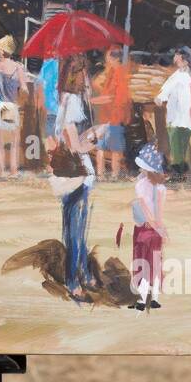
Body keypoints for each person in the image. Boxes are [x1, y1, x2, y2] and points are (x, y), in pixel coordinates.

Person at [50, 54, 104, 301]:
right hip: (76, 174)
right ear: (79, 74)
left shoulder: (66, 99)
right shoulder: (71, 102)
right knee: (76, 231)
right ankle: (74, 281)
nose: (88, 78)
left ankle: (82, 273)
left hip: (73, 174)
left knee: (76, 228)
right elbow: (74, 146)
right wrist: (93, 139)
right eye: (86, 73)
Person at [130, 143, 167, 310]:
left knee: (142, 262)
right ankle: (154, 298)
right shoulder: (160, 188)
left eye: (142, 168)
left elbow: (144, 209)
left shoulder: (140, 186)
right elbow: (159, 212)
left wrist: (153, 224)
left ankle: (141, 300)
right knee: (155, 262)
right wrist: (160, 228)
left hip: (142, 228)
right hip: (155, 229)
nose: (140, 170)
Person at [0, 34, 29, 178]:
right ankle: (14, 170)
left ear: (1, 51)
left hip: (0, 106)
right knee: (14, 140)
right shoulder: (18, 68)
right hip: (12, 106)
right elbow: (24, 88)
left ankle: (1, 170)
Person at [91, 46, 132, 179]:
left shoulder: (119, 73)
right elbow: (107, 93)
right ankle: (102, 175)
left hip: (114, 116)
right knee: (102, 147)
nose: (106, 59)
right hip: (107, 116)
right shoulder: (112, 72)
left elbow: (112, 97)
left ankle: (113, 175)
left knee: (114, 149)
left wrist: (92, 100)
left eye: (108, 56)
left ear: (113, 58)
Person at [155, 47, 191, 173]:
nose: (174, 58)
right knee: (179, 145)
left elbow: (165, 91)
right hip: (177, 117)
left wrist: (160, 97)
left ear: (184, 59)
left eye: (177, 56)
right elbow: (165, 90)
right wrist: (160, 97)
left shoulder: (186, 76)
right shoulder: (179, 74)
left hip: (183, 117)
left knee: (180, 145)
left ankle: (179, 174)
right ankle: (182, 172)